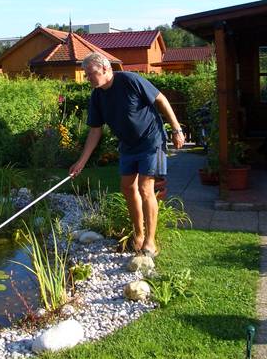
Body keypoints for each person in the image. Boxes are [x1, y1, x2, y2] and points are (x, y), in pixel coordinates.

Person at [69, 52, 185, 257]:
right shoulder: (97, 96)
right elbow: (95, 131)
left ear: (105, 69)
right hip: (128, 146)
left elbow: (161, 100)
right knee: (127, 187)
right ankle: (138, 234)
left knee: (145, 187)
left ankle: (150, 242)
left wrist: (176, 129)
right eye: (86, 75)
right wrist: (81, 161)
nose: (88, 79)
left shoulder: (129, 80)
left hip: (151, 140)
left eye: (91, 74)